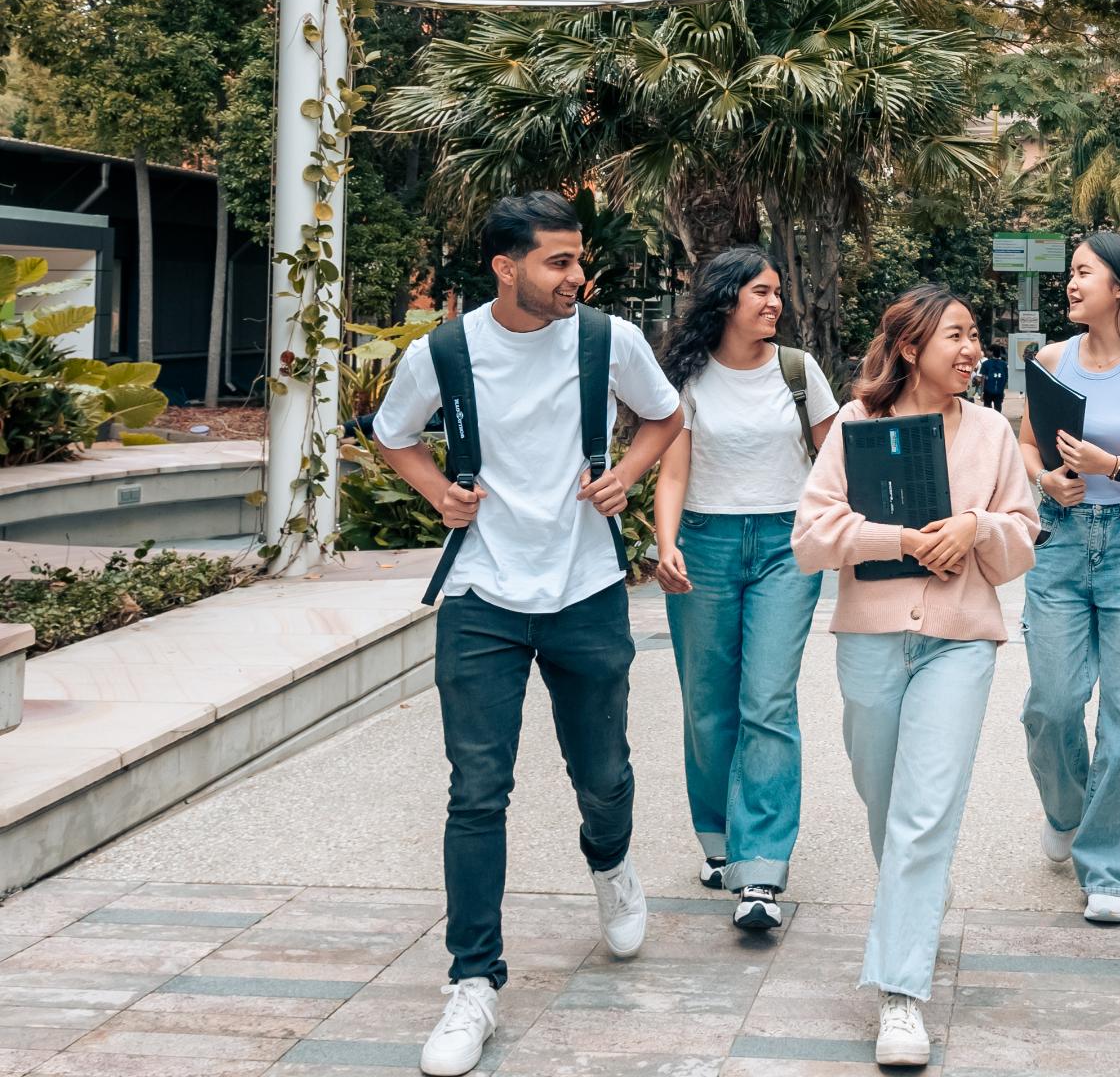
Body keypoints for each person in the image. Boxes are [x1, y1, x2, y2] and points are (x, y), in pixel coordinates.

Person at [371, 191, 683, 1077]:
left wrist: (623, 473)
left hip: (584, 588)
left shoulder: (606, 341)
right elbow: (395, 437)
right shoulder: (445, 351)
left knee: (604, 773)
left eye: (579, 260)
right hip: (481, 593)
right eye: (558, 262)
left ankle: (611, 861)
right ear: (506, 268)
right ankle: (473, 982)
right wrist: (441, 495)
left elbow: (665, 416)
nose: (576, 277)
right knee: (476, 789)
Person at [792, 284, 1039, 1068]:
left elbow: (1024, 537)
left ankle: (901, 992)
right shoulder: (857, 428)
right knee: (885, 799)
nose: (972, 351)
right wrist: (897, 536)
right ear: (909, 347)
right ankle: (914, 902)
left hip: (960, 642)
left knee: (925, 811)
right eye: (957, 337)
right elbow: (811, 536)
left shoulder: (995, 432)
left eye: (976, 337)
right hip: (869, 638)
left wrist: (977, 528)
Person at [654, 247, 838, 932]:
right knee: (707, 701)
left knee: (767, 698)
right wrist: (665, 543)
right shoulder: (687, 378)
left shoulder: (798, 371)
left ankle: (760, 869)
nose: (774, 303)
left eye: (777, 292)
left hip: (786, 548)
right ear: (726, 299)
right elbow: (672, 473)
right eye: (761, 291)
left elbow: (836, 458)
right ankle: (718, 836)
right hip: (704, 541)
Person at [1018, 232, 1120, 924]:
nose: (1070, 284)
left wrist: (1111, 467)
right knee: (1051, 704)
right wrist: (1047, 476)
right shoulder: (1051, 359)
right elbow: (1026, 444)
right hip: (1060, 541)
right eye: (1071, 274)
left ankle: (1108, 867)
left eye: (1083, 273)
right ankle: (1066, 807)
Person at [978, 342, 1009, 410]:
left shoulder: (985, 364)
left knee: (987, 409)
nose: (987, 352)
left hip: (987, 391)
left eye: (988, 351)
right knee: (998, 409)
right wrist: (1002, 390)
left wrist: (982, 392)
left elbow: (983, 378)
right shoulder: (1004, 364)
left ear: (992, 352)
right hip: (999, 391)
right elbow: (1005, 378)